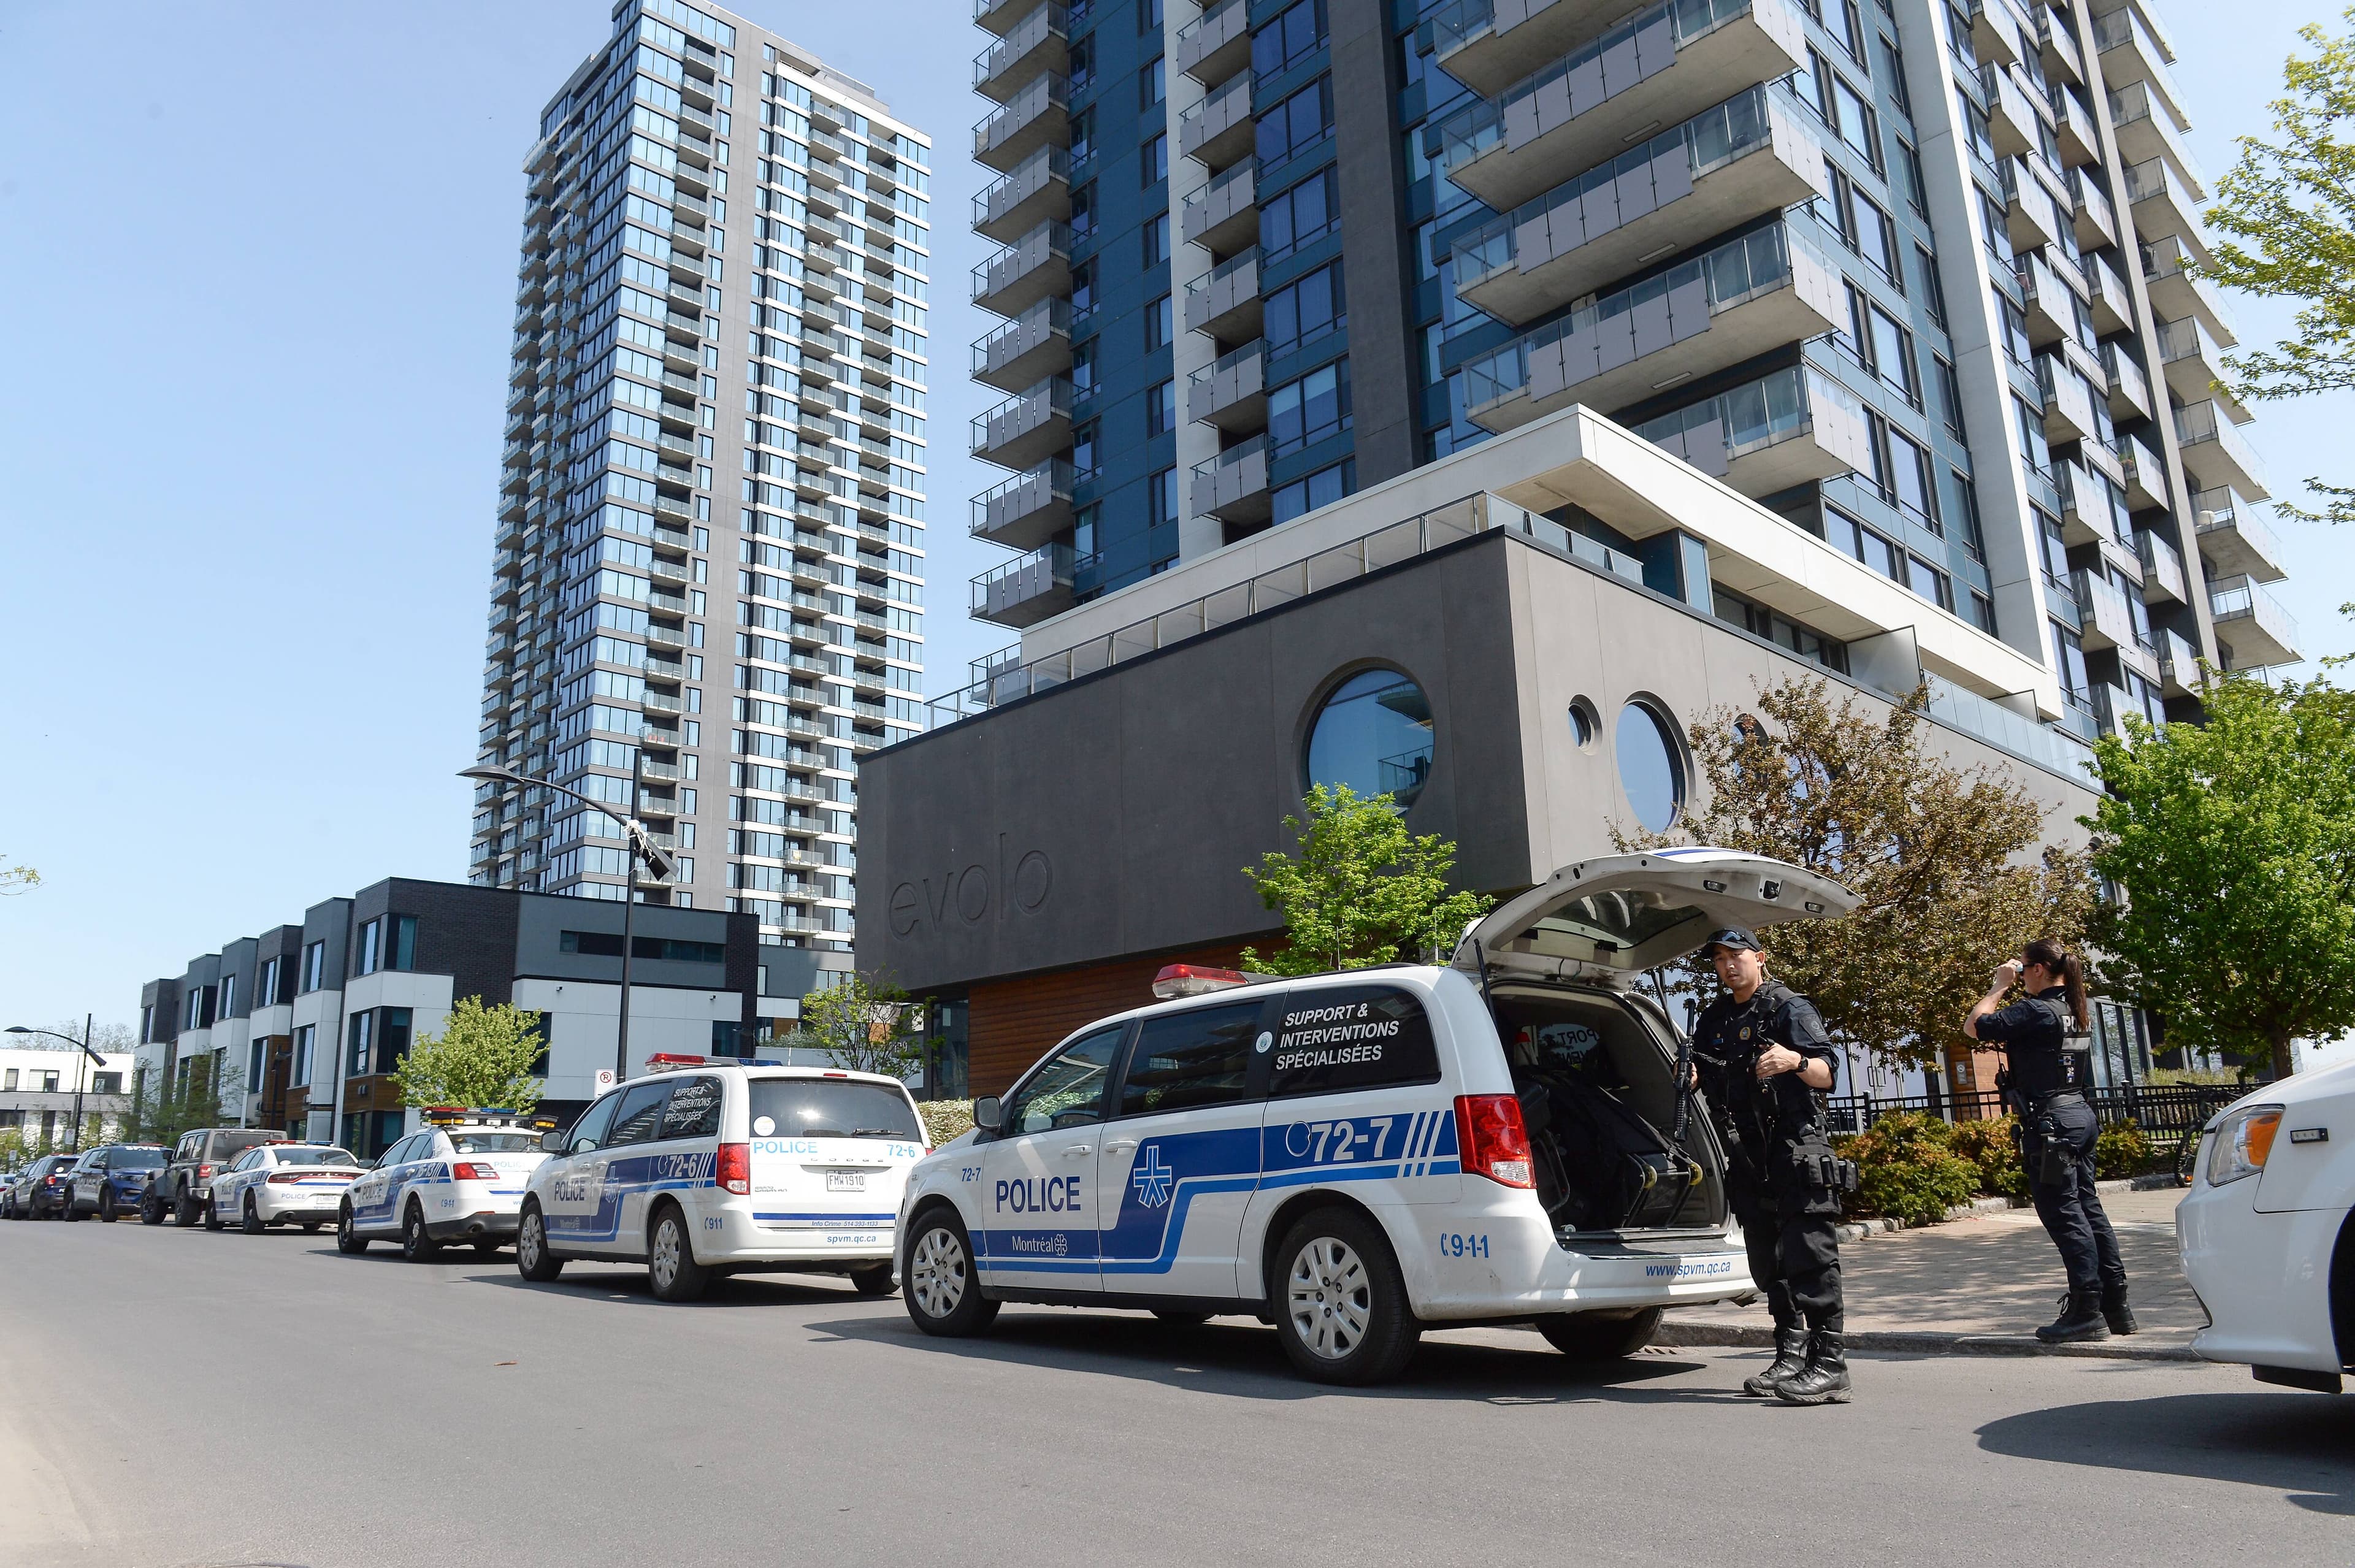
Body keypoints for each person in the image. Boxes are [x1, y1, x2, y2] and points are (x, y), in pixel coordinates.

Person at [1688, 928, 1851, 1405]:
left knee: (1810, 1252)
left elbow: (1828, 1074)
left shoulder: (1788, 1008)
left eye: (1735, 955)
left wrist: (1793, 1059)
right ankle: (1790, 1350)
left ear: (1759, 957)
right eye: (1719, 958)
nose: (1727, 965)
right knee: (1767, 1257)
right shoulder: (1715, 1018)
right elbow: (1706, 1070)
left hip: (1795, 1145)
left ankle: (1830, 1363)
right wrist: (1691, 1075)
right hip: (1746, 1152)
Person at [1964, 937, 2134, 1342]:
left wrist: (1998, 986)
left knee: (2064, 1213)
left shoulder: (2036, 1010)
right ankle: (2117, 1306)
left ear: (2039, 969)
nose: (2019, 974)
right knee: (2088, 1208)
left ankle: (2085, 1309)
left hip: (2052, 1124)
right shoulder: (2074, 1011)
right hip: (2078, 1115)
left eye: (2023, 968)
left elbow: (1974, 1026)